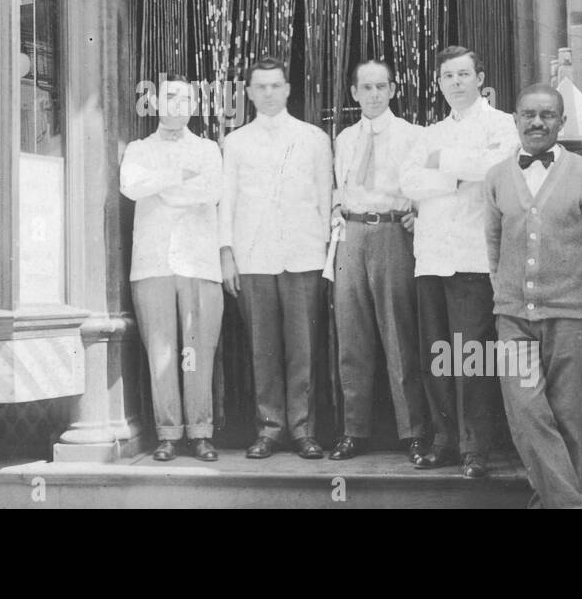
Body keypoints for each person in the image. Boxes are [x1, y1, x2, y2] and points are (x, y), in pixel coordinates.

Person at [484, 83, 582, 507]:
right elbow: (494, 248)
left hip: (571, 316)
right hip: (512, 317)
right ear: (515, 120)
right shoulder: (496, 178)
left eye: (547, 115)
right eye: (528, 114)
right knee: (526, 413)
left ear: (561, 123)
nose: (536, 122)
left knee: (567, 421)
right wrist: (505, 297)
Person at [400, 46, 519, 478]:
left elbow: (494, 170)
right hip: (431, 256)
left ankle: (476, 448)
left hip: (473, 256)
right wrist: (454, 175)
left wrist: (442, 166)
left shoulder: (503, 124)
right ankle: (444, 441)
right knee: (436, 355)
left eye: (463, 74)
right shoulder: (427, 134)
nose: (455, 83)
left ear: (480, 77)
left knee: (470, 356)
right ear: (438, 83)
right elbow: (408, 181)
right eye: (447, 76)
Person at [220, 57, 332, 460]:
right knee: (262, 349)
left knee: (303, 349)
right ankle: (270, 428)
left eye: (275, 85)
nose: (268, 93)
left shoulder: (314, 138)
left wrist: (325, 257)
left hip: (303, 257)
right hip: (254, 259)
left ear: (287, 89)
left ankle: (303, 430)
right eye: (260, 86)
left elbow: (325, 200)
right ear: (248, 92)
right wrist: (227, 255)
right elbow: (227, 203)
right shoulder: (235, 143)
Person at [328, 60, 431, 461]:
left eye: (380, 87)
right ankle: (354, 431)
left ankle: (414, 433)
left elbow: (428, 186)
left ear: (392, 90)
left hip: (391, 234)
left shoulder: (413, 136)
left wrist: (418, 212)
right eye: (365, 87)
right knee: (351, 337)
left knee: (399, 334)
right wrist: (337, 212)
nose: (373, 94)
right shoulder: (344, 138)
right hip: (351, 237)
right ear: (354, 93)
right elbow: (341, 185)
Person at [119, 75, 224, 462]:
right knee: (161, 352)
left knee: (197, 350)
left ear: (194, 106)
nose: (177, 105)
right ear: (155, 104)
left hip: (198, 262)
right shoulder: (138, 148)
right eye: (169, 97)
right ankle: (167, 434)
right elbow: (131, 186)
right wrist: (178, 176)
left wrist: (160, 185)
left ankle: (200, 432)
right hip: (153, 262)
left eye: (185, 99)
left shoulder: (209, 149)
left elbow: (210, 192)